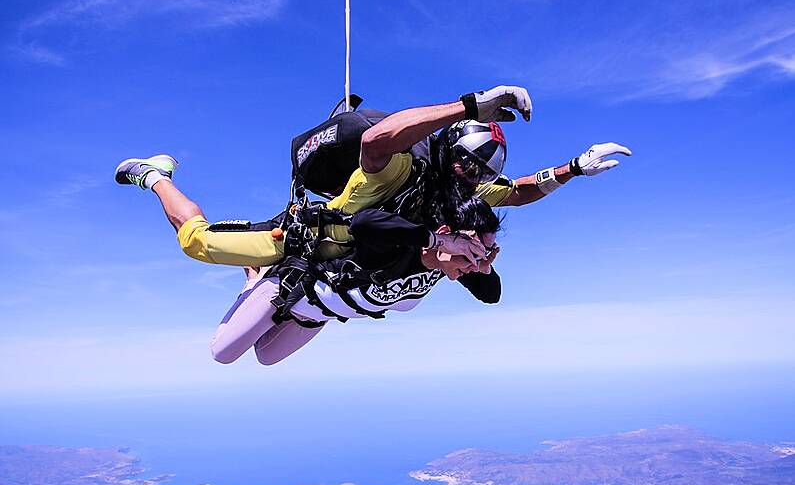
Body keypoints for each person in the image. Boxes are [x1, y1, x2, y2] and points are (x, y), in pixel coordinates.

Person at [115, 85, 630, 269]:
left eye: (477, 171)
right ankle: (155, 176)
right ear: (450, 147)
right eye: (466, 161)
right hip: (305, 240)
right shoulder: (406, 166)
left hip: (349, 257)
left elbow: (519, 192)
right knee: (197, 244)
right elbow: (377, 140)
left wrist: (574, 169)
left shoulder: (460, 191)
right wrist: (470, 104)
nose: (470, 175)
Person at [211, 198, 501, 366]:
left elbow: (492, 295)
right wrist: (436, 240)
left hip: (315, 316)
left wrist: (485, 267)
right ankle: (255, 278)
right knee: (223, 353)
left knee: (266, 356)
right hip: (289, 290)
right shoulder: (401, 246)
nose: (473, 263)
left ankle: (257, 304)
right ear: (448, 235)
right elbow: (364, 223)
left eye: (482, 255)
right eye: (472, 252)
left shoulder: (449, 267)